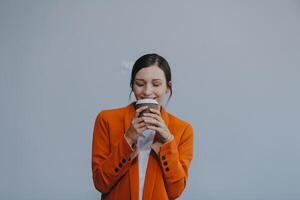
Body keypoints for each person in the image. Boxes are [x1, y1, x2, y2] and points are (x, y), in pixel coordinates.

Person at [92, 53, 194, 200]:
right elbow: (100, 183)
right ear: (132, 86)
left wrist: (168, 141)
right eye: (140, 84)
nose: (147, 91)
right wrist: (128, 138)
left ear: (168, 88)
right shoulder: (106, 120)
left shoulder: (183, 130)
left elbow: (176, 191)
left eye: (156, 84)